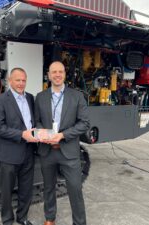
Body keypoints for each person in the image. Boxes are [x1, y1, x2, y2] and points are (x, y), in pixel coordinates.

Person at [35, 61, 90, 225]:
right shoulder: (41, 97)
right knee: (49, 187)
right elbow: (36, 122)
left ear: (64, 74)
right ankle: (50, 218)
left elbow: (84, 123)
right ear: (49, 75)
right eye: (54, 72)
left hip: (69, 151)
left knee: (75, 189)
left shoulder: (77, 96)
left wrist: (63, 135)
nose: (57, 75)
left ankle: (79, 222)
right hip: (47, 151)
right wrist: (42, 132)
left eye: (60, 72)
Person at [0, 68, 37, 225]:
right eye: (17, 80)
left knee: (26, 189)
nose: (21, 83)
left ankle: (22, 218)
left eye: (24, 80)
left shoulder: (31, 98)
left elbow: (33, 123)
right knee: (7, 191)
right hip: (9, 153)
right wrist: (21, 135)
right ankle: (7, 220)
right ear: (10, 81)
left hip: (28, 152)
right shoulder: (1, 100)